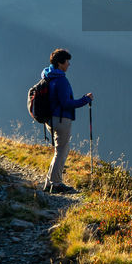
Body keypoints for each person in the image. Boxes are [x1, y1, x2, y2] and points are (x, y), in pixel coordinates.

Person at [41, 47, 92, 194]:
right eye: (67, 61)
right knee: (61, 151)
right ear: (60, 63)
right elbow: (66, 103)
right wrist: (85, 99)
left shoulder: (48, 76)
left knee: (60, 150)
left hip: (50, 119)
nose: (69, 64)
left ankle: (49, 182)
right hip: (62, 119)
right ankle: (56, 184)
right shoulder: (61, 80)